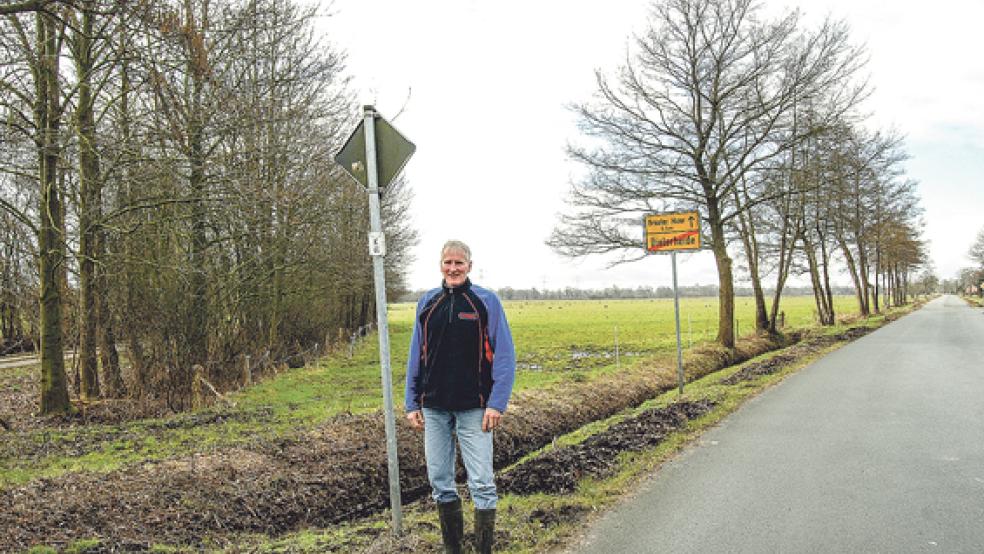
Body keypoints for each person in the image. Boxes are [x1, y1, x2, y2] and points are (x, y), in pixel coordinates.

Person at [405, 240, 516, 554]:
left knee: (481, 482)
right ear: (440, 265)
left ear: (469, 265)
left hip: (474, 407)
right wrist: (412, 401)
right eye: (448, 263)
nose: (453, 268)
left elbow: (505, 356)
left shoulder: (486, 301)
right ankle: (453, 549)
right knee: (440, 481)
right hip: (434, 407)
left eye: (459, 263)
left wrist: (496, 403)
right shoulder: (427, 302)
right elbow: (416, 354)